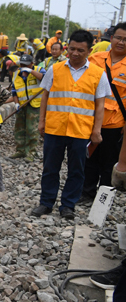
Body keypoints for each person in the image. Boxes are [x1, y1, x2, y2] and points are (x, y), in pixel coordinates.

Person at [31, 29, 111, 219]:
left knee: (77, 170)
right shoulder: (55, 69)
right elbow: (46, 97)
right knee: (50, 168)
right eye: (72, 49)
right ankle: (46, 202)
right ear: (67, 48)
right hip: (55, 128)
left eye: (80, 50)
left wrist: (96, 130)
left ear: (89, 51)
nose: (75, 54)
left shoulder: (98, 74)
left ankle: (68, 205)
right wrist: (41, 121)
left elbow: (100, 106)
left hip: (81, 130)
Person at [81, 22, 126, 202]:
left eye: (125, 40)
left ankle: (103, 200)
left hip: (114, 124)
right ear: (111, 38)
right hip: (90, 120)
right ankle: (87, 193)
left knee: (108, 163)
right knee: (89, 159)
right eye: (118, 38)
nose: (121, 42)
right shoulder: (95, 59)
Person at [6, 54, 45, 162]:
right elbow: (14, 91)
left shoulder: (39, 70)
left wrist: (30, 71)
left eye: (26, 65)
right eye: (22, 64)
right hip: (22, 105)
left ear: (32, 63)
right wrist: (16, 103)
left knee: (32, 129)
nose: (23, 66)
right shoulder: (16, 74)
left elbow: (46, 79)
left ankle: (31, 152)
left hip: (35, 105)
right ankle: (21, 150)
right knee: (19, 128)